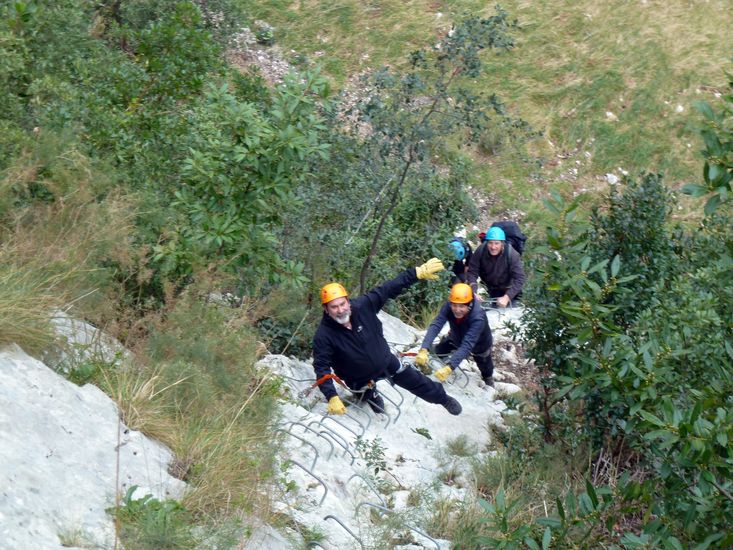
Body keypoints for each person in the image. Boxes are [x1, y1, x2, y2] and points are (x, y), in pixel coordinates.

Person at [313, 258, 463, 416]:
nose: (340, 310)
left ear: (348, 302)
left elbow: (388, 289)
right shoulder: (324, 336)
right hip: (357, 378)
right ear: (326, 309)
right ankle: (372, 396)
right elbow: (322, 368)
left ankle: (443, 399)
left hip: (385, 361)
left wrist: (415, 273)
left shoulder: (363, 307)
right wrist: (331, 396)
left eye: (342, 304)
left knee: (416, 381)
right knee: (368, 398)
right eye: (334, 307)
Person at [415, 283, 495, 387]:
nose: (457, 310)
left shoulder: (478, 317)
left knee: (485, 366)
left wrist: (450, 367)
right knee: (438, 351)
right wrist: (424, 348)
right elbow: (436, 325)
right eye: (454, 305)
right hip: (456, 337)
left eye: (461, 306)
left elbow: (467, 345)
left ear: (469, 304)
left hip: (480, 343)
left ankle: (488, 380)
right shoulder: (449, 305)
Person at [466, 226, 525, 308]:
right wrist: (473, 291)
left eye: (496, 243)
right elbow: (472, 272)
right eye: (490, 243)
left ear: (502, 243)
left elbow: (520, 278)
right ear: (486, 242)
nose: (493, 247)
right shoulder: (480, 251)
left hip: (510, 291)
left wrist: (507, 297)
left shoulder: (512, 254)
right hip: (493, 290)